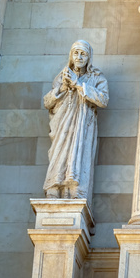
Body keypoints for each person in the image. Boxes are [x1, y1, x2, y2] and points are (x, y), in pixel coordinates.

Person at [42, 40, 109, 199]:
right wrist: (63, 88)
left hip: (82, 126)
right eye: (76, 53)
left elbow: (103, 100)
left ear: (89, 57)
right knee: (58, 153)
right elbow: (47, 102)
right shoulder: (61, 77)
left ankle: (73, 192)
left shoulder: (96, 78)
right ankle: (54, 189)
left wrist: (78, 84)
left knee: (77, 156)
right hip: (62, 125)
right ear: (71, 56)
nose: (79, 57)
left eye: (83, 54)